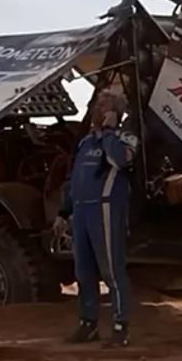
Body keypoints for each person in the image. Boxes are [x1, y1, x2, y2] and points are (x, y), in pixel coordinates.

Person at [56, 89, 138, 346]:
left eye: (104, 106)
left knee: (112, 269)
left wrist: (109, 131)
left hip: (105, 208)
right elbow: (74, 179)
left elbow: (121, 161)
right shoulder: (85, 142)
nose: (97, 110)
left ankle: (120, 327)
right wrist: (63, 212)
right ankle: (88, 323)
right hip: (81, 210)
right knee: (84, 271)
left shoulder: (124, 138)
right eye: (97, 105)